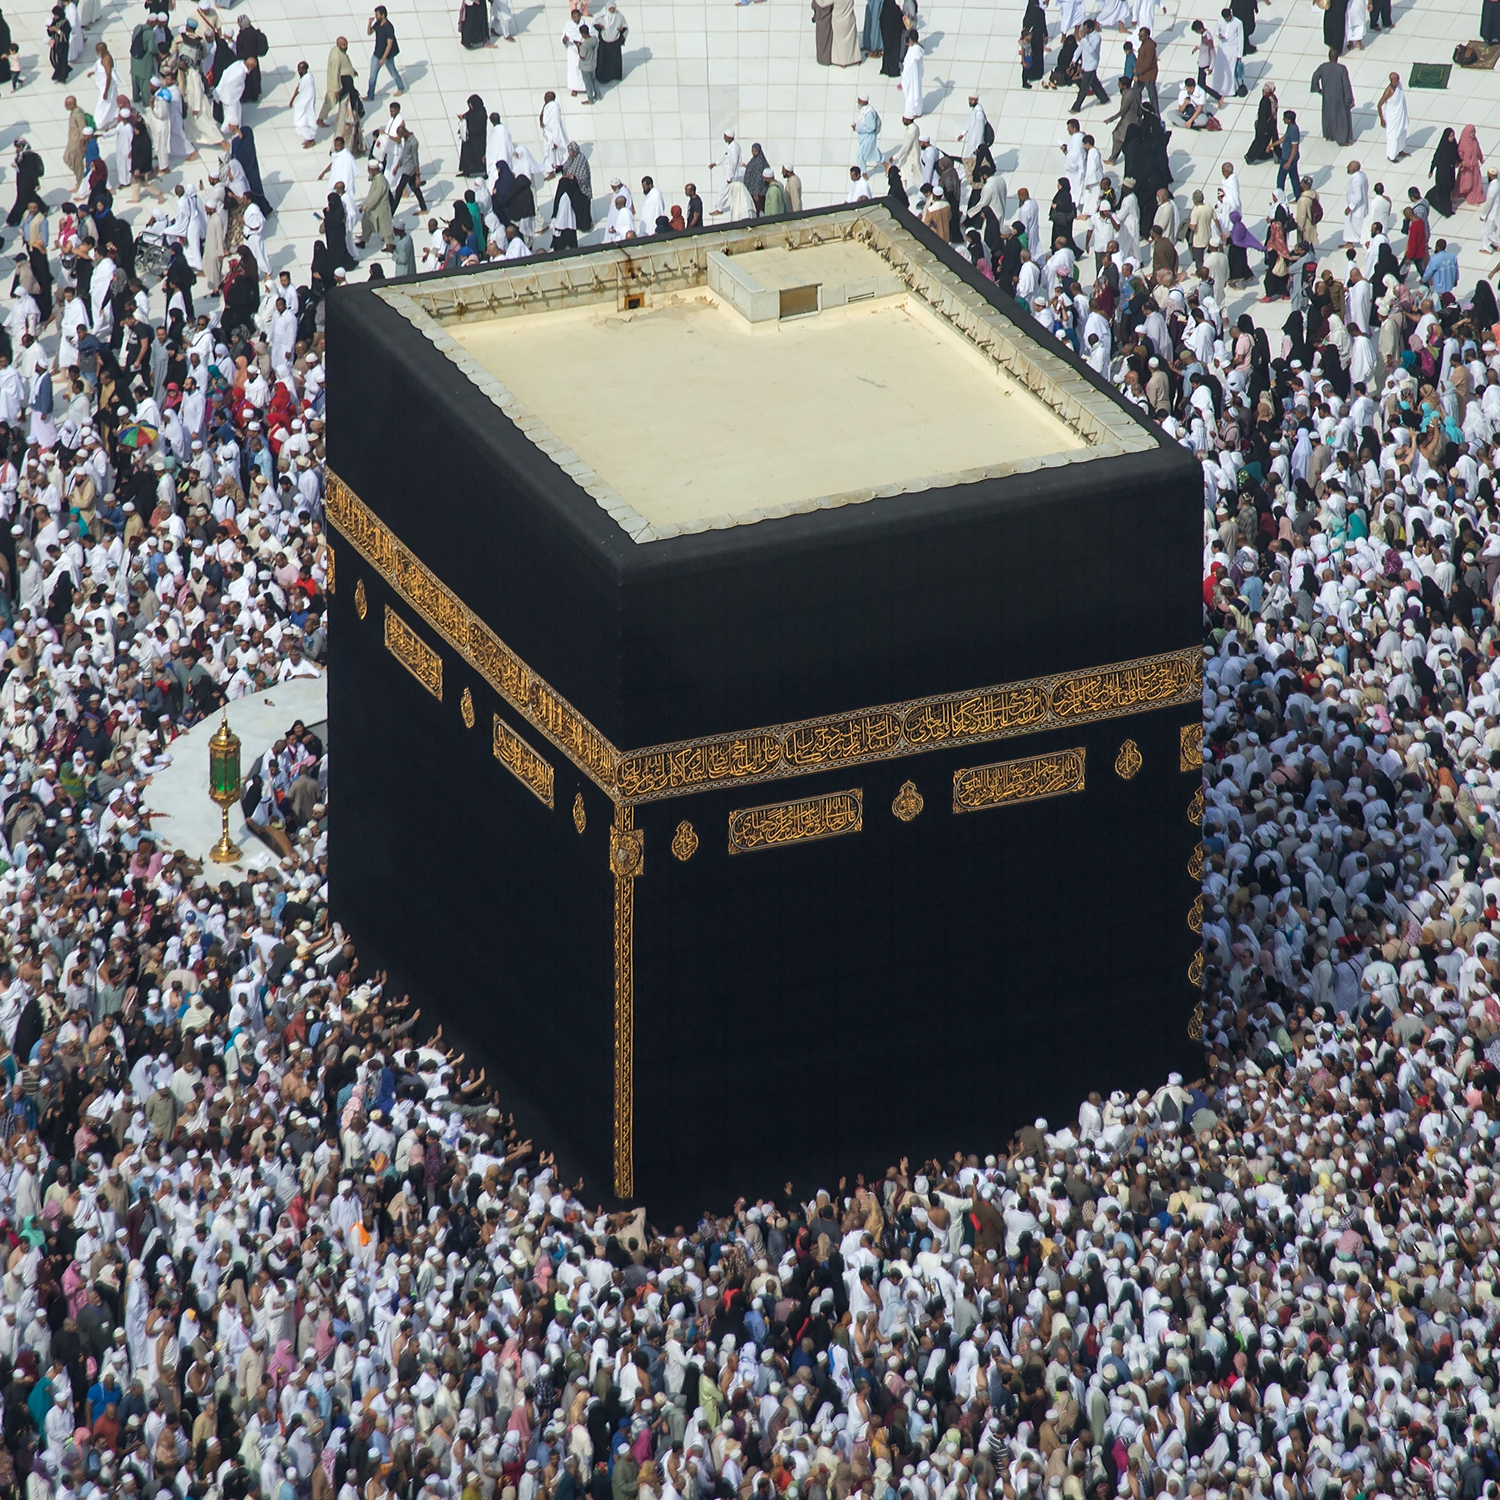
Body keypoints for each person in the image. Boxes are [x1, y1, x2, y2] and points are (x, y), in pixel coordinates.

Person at [1310, 46, 1354, 146]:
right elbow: (1346, 84)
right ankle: (1342, 139)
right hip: (1339, 97)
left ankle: (1329, 135)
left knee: (1328, 115)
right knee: (1340, 118)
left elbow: (1315, 77)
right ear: (1337, 57)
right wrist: (1349, 99)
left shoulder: (1323, 67)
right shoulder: (1341, 69)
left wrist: (1318, 90)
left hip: (1327, 96)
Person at [365, 5, 403, 99]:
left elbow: (389, 44)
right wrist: (369, 23)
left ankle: (401, 87)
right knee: (372, 76)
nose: (376, 16)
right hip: (377, 53)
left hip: (387, 56)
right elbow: (369, 33)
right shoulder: (377, 24)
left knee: (393, 71)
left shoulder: (389, 27)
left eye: (377, 14)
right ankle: (370, 96)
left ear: (383, 15)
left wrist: (383, 58)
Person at [317, 35, 355, 125]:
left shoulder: (341, 51)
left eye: (346, 44)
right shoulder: (336, 57)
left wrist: (352, 71)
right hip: (339, 83)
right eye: (343, 45)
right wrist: (337, 88)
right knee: (331, 101)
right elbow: (335, 73)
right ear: (338, 45)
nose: (346, 47)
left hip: (345, 79)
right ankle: (320, 119)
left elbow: (345, 63)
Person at [1429, 125, 1460, 215]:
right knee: (1444, 191)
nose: (1452, 138)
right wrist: (1431, 170)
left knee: (1450, 187)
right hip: (1442, 173)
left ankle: (1432, 196)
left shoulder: (1453, 145)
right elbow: (1436, 158)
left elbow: (1456, 155)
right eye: (1450, 136)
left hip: (1450, 171)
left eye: (1453, 136)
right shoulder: (1442, 147)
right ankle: (1446, 210)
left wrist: (1460, 161)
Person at [287, 59, 317, 149]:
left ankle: (311, 139)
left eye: (300, 69)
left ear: (305, 70)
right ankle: (309, 138)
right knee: (302, 121)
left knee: (301, 123)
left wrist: (303, 103)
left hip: (306, 104)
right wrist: (292, 99)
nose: (298, 71)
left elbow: (310, 93)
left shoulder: (308, 79)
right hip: (302, 103)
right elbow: (299, 88)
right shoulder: (304, 78)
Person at [1377, 71, 1408, 159]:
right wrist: (1381, 119)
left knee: (1402, 132)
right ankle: (1391, 156)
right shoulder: (1388, 91)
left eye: (1398, 79)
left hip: (1400, 114)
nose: (1398, 81)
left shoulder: (1399, 86)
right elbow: (1379, 105)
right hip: (1392, 116)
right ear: (1391, 81)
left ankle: (1400, 150)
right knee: (1393, 136)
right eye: (1396, 80)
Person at [458, 95, 487, 175]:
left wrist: (467, 122)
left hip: (477, 140)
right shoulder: (472, 111)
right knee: (467, 155)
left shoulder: (481, 113)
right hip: (469, 139)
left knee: (476, 154)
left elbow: (478, 127)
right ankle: (466, 169)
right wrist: (463, 117)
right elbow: (468, 115)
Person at [596, 3, 625, 77]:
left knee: (614, 59)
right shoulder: (602, 16)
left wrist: (622, 29)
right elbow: (594, 26)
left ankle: (615, 75)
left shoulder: (619, 16)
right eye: (610, 8)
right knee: (603, 59)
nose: (612, 10)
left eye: (613, 8)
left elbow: (625, 26)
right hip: (604, 41)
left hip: (615, 40)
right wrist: (599, 27)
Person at [854, 95, 882, 173]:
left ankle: (863, 174)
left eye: (859, 100)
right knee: (872, 152)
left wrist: (857, 127)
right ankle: (886, 165)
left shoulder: (869, 112)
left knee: (860, 156)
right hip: (864, 137)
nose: (858, 102)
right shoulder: (865, 110)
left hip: (869, 137)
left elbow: (871, 127)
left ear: (863, 101)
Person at [900, 29, 924, 114]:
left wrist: (903, 81)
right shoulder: (916, 49)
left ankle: (914, 111)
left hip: (912, 77)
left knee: (912, 94)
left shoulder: (914, 51)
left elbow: (908, 66)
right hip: (915, 77)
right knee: (915, 93)